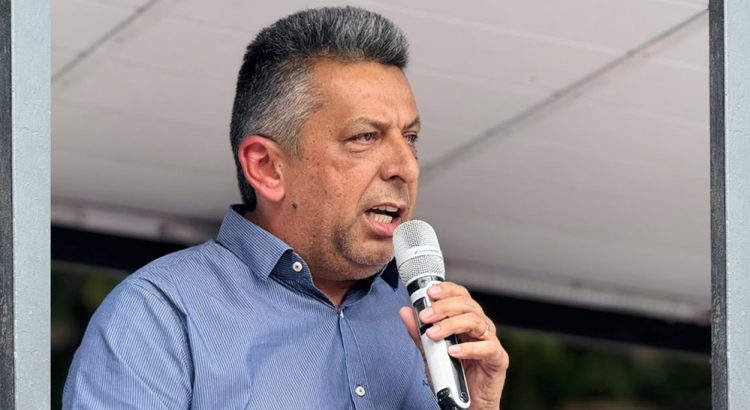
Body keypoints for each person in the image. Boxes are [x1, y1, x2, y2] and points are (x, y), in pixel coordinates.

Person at [63, 6, 508, 409]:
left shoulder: (433, 330)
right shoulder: (161, 316)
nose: (405, 167)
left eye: (409, 138)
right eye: (364, 137)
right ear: (266, 168)